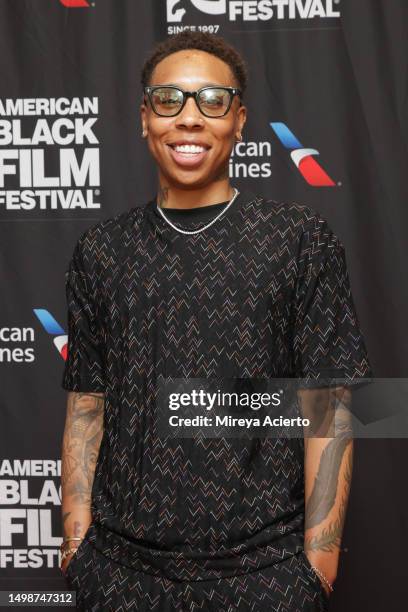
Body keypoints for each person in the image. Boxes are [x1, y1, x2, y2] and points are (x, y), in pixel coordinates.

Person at [59, 31, 372, 611]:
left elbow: (328, 407)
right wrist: (77, 544)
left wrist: (318, 567)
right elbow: (86, 405)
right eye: (168, 99)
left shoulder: (297, 239)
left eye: (212, 100)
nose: (190, 118)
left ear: (239, 119)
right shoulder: (100, 251)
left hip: (264, 574)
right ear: (144, 119)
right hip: (120, 575)